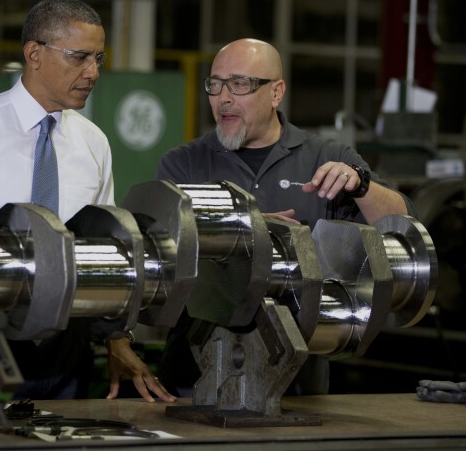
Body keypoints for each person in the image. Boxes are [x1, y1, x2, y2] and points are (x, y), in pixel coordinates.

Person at [0, 0, 174, 403]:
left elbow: (105, 251)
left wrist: (115, 338)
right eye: (79, 57)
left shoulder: (93, 143)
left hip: (66, 347)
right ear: (34, 54)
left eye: (99, 59)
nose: (92, 73)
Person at [156, 38, 415, 396]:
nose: (223, 98)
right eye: (215, 84)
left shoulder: (327, 157)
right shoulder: (184, 164)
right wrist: (245, 229)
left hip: (298, 380)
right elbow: (163, 256)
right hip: (195, 372)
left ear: (276, 92)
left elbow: (399, 228)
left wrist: (361, 185)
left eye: (240, 84)